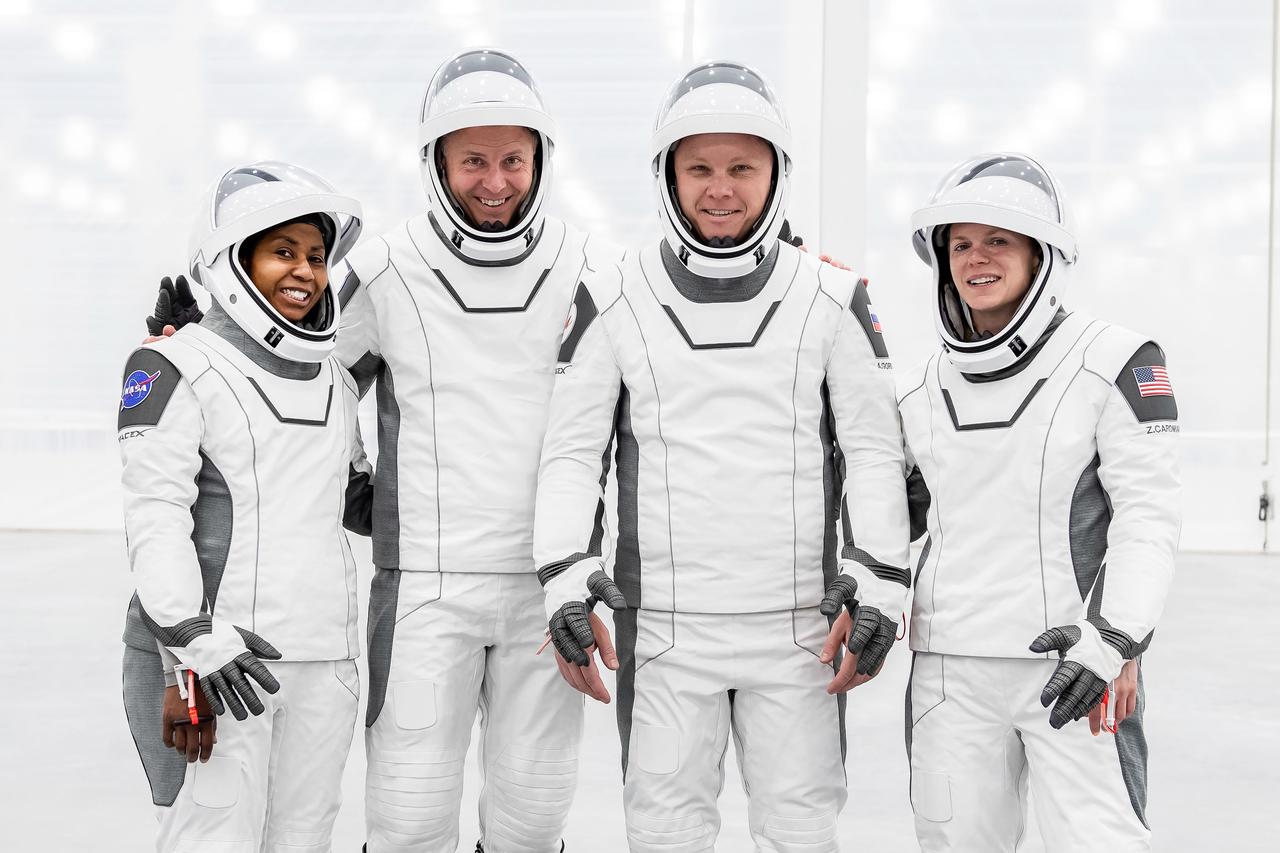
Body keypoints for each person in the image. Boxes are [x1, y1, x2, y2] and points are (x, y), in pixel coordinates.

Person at [533, 60, 910, 852]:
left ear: (776, 173)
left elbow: (875, 453)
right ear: (668, 174)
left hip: (802, 630)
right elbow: (572, 454)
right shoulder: (612, 294)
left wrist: (881, 578)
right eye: (699, 167)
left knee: (802, 828)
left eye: (742, 167)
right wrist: (564, 572)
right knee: (665, 829)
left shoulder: (835, 298)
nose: (720, 188)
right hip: (664, 633)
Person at [331, 49, 624, 853]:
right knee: (409, 817)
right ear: (436, 163)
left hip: (550, 586)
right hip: (426, 587)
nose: (494, 181)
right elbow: (300, 378)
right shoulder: (383, 268)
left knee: (532, 819)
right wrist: (358, 490)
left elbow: (667, 377)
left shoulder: (588, 265)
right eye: (472, 160)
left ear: (540, 162)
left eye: (511, 160)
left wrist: (796, 271)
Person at [899, 152, 1179, 851]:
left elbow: (1149, 513)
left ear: (1042, 255)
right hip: (948, 670)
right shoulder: (920, 387)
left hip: (1076, 666)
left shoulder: (1117, 359)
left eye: (998, 240)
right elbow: (891, 513)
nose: (976, 257)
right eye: (960, 243)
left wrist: (1117, 636)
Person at [119, 160, 371, 851]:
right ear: (233, 260)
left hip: (326, 662)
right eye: (282, 251)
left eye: (317, 256)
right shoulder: (175, 362)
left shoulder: (338, 382)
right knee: (211, 838)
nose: (305, 271)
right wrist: (189, 649)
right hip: (220, 662)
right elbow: (155, 517)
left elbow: (353, 502)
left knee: (304, 837)